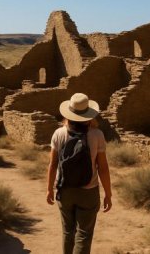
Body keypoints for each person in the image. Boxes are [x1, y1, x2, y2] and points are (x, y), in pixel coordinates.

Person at [46, 93, 112, 254]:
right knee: (84, 234)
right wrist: (108, 194)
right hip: (88, 191)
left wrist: (49, 189)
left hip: (65, 189)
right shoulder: (97, 135)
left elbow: (53, 165)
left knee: (68, 232)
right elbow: (103, 168)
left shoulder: (59, 134)